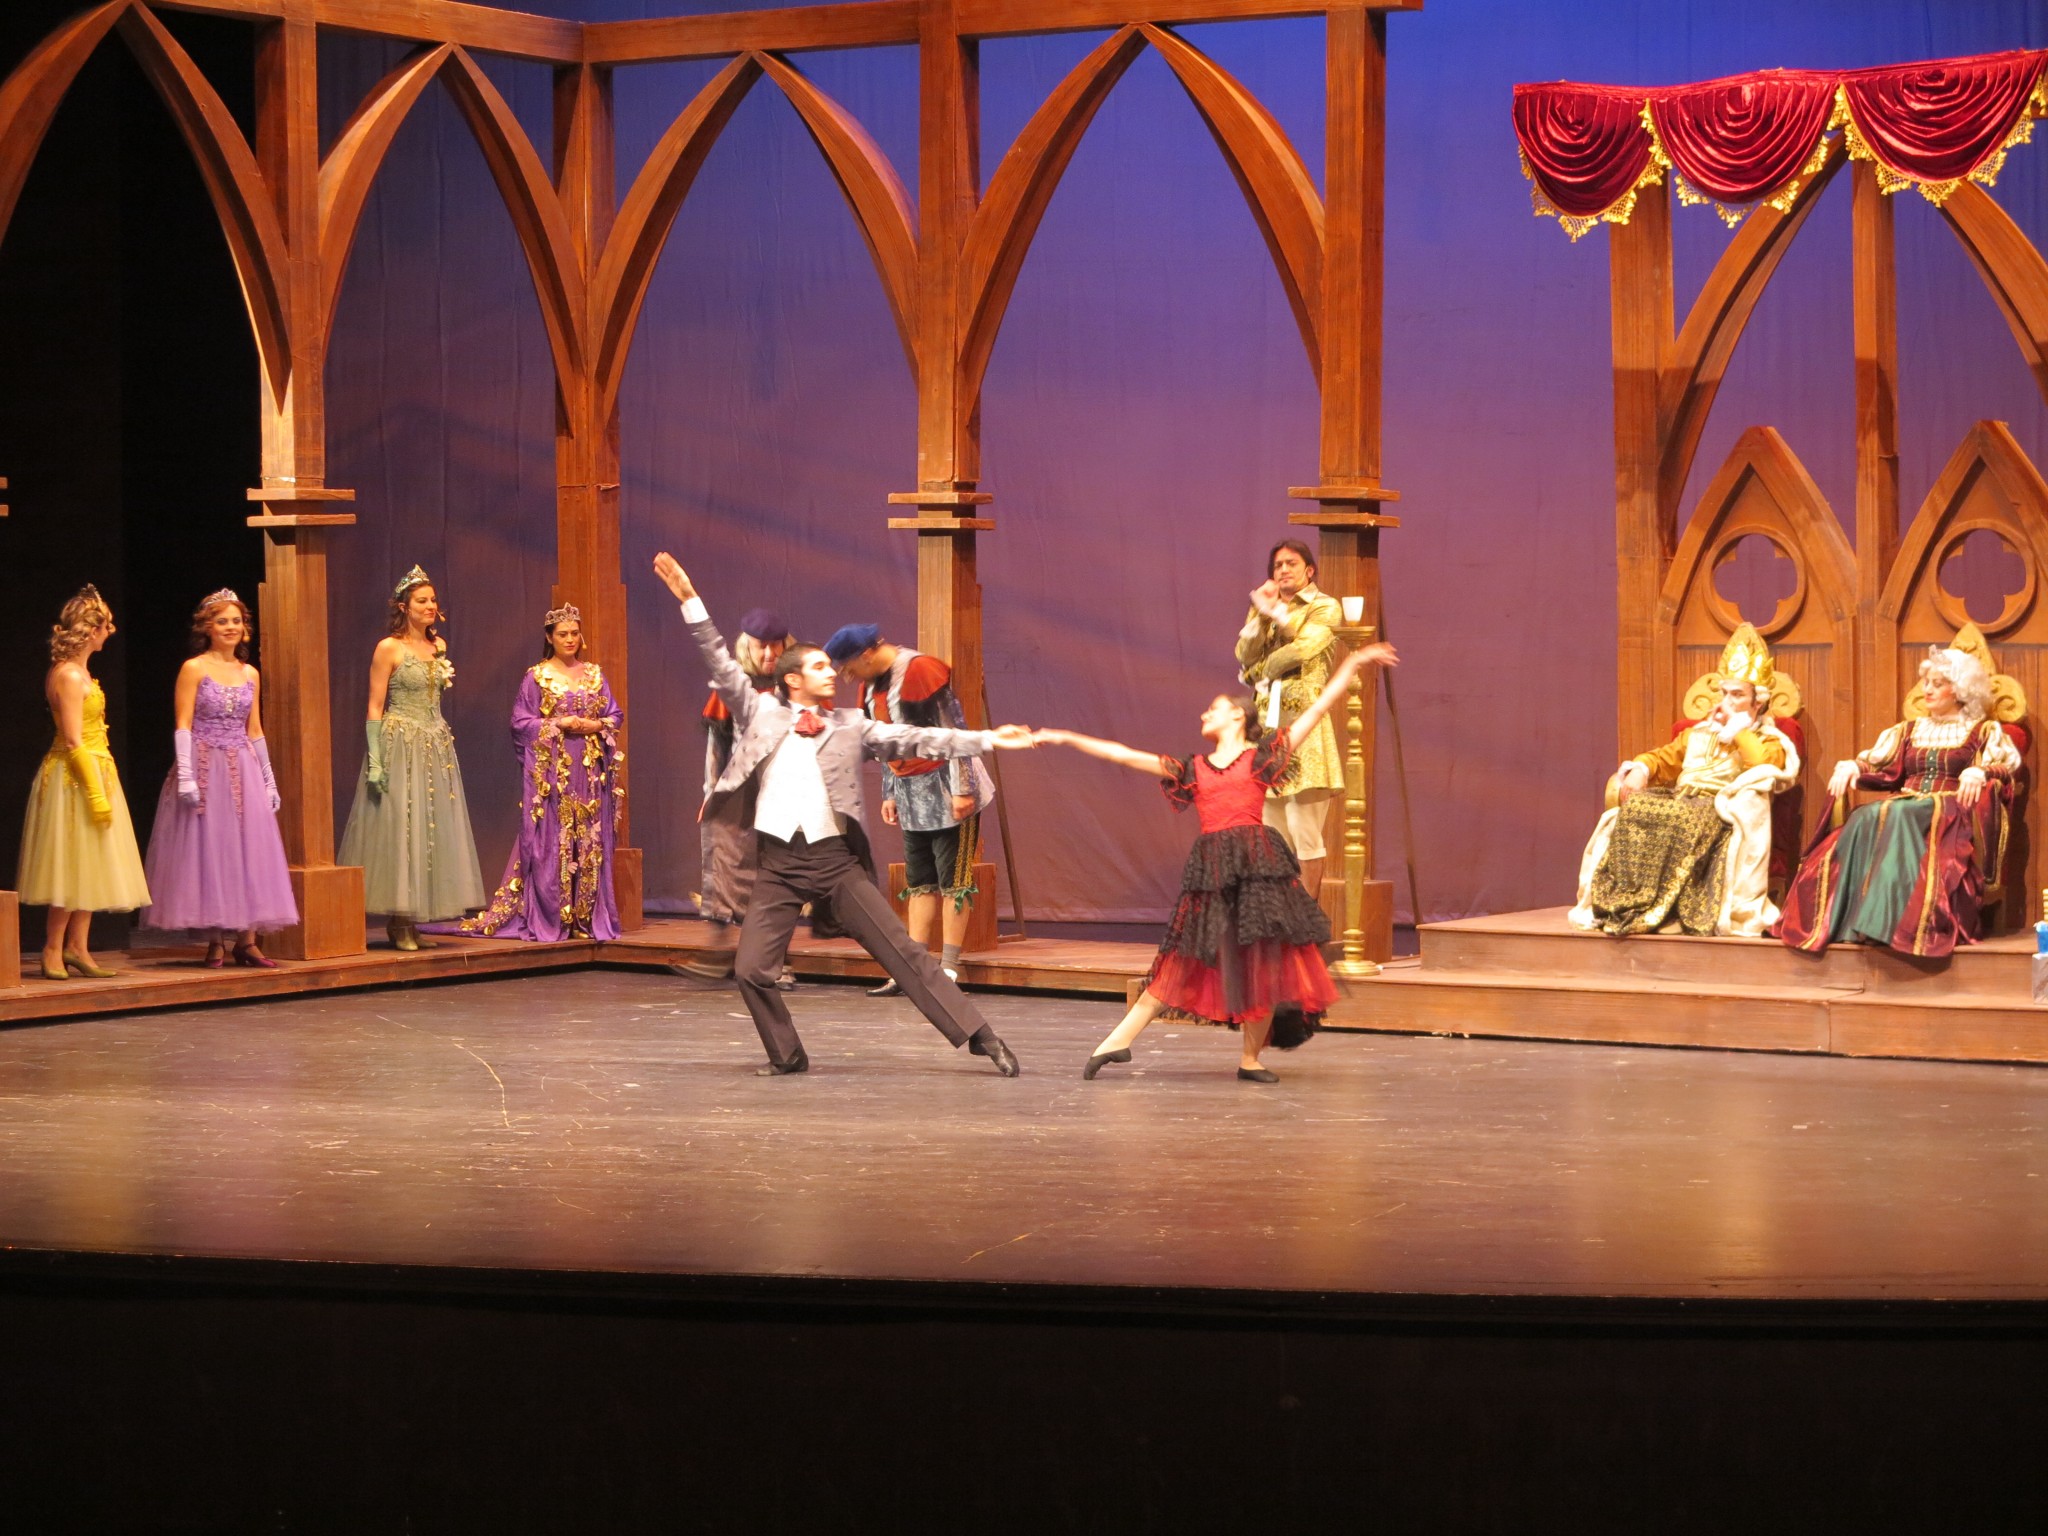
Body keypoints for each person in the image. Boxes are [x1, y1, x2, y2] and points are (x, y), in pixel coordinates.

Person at [653, 550, 1036, 1077]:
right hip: (778, 864)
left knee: (904, 953)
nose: (830, 672)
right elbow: (718, 660)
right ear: (792, 680)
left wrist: (989, 738)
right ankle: (787, 1055)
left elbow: (921, 736)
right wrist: (690, 600)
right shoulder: (760, 711)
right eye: (817, 667)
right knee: (752, 969)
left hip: (834, 863)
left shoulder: (851, 724)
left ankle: (981, 1036)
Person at [1034, 638, 1395, 1084]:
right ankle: (1117, 1040)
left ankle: (1251, 1059)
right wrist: (1066, 737)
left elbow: (1317, 709)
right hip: (1214, 873)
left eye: (1214, 708)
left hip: (1259, 872)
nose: (1205, 713)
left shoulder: (1260, 758)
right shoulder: (1193, 768)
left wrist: (1355, 661)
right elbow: (1122, 755)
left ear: (1238, 716)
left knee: (1263, 965)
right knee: (1182, 958)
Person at [1778, 645, 2020, 958]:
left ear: (1960, 690)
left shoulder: (1982, 731)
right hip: (1905, 801)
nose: (1927, 689)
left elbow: (2006, 766)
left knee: (1897, 813)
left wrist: (1981, 771)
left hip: (1948, 808)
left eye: (1938, 683)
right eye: (1926, 682)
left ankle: (1887, 924)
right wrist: (1854, 766)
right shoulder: (1908, 730)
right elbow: (1881, 765)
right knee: (1866, 815)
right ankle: (1847, 922)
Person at [1568, 624, 1800, 938]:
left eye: (1737, 695)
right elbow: (1664, 757)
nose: (1727, 702)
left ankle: (1667, 908)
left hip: (1720, 808)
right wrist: (1642, 769)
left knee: (1682, 817)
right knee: (1635, 808)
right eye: (1724, 693)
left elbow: (1762, 765)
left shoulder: (1768, 738)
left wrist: (1737, 731)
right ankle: (1629, 904)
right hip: (1682, 799)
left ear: (1756, 703)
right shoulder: (1698, 733)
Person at [825, 623, 994, 993]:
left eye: (849, 667)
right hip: (910, 792)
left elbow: (955, 729)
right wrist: (889, 791)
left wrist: (963, 788)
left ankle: (948, 969)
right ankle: (915, 969)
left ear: (866, 655)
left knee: (953, 882)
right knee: (920, 881)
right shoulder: (871, 684)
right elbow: (885, 742)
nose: (848, 676)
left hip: (947, 786)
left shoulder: (919, 670)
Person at [139, 589, 298, 965]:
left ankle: (247, 941)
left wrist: (269, 778)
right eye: (222, 621)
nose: (230, 627)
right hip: (205, 764)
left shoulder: (250, 673)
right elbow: (182, 722)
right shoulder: (194, 668)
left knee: (248, 849)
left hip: (242, 766)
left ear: (245, 628)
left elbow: (254, 728)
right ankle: (215, 941)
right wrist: (186, 774)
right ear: (207, 627)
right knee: (209, 848)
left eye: (236, 621)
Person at [337, 565, 485, 951]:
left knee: (429, 826)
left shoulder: (439, 646)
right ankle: (399, 921)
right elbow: (375, 705)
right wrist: (375, 759)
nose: (430, 606)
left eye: (433, 600)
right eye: (422, 601)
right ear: (404, 606)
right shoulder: (389, 648)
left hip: (434, 742)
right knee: (401, 826)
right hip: (400, 741)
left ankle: (413, 920)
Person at [456, 603, 623, 941]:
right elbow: (520, 723)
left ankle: (583, 917)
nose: (570, 639)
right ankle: (554, 915)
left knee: (588, 838)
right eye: (563, 634)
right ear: (550, 638)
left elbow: (614, 715)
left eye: (574, 633)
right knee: (554, 838)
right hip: (554, 772)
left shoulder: (594, 674)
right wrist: (558, 723)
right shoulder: (537, 676)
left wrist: (594, 725)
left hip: (589, 773)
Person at [18, 585, 150, 979]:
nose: (111, 631)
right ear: (92, 630)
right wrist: (94, 791)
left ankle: (78, 947)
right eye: (106, 625)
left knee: (90, 862)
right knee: (70, 863)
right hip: (75, 776)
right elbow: (74, 738)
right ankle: (53, 948)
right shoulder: (70, 675)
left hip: (95, 769)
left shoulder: (80, 672)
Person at [1234, 538, 1344, 904]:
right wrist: (1261, 614)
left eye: (1291, 563)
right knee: (1271, 832)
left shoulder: (1323, 606)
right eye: (1278, 565)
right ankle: (1277, 913)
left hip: (1303, 726)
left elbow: (1300, 650)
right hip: (1267, 728)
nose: (1283, 570)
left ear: (1309, 570)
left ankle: (1307, 916)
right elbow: (1243, 653)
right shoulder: (1266, 607)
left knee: (1303, 828)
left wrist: (1255, 673)